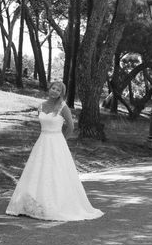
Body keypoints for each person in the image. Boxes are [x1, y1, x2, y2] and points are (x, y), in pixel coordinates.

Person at [6, 81, 103, 221]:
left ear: (61, 93)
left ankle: (55, 205)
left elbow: (71, 127)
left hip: (57, 142)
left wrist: (61, 140)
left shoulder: (63, 107)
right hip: (42, 141)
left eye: (58, 90)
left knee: (55, 173)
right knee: (37, 172)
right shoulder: (40, 106)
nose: (55, 91)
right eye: (53, 88)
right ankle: (33, 205)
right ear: (49, 89)